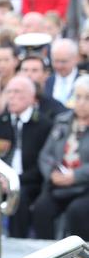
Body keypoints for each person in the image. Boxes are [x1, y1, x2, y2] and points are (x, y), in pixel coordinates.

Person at [0, 75, 52, 238]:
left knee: (19, 200)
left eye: (17, 92)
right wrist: (1, 178)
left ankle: (17, 250)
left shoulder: (44, 124)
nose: (12, 96)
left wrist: (16, 180)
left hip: (29, 182)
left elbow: (43, 163)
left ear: (31, 96)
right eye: (9, 92)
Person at [32, 74, 89, 240]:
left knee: (77, 212)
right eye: (78, 97)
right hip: (58, 184)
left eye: (87, 98)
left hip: (85, 187)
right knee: (42, 208)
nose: (81, 102)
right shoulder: (62, 121)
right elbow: (45, 155)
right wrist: (53, 173)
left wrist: (75, 176)